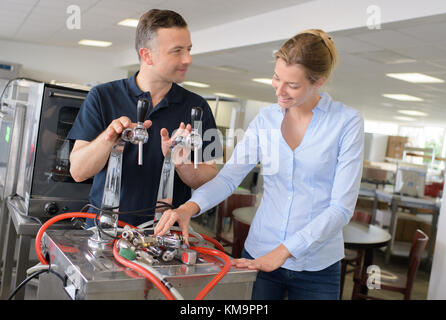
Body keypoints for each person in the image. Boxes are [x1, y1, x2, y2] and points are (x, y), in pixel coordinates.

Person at [154, 29, 364, 300]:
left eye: (293, 85)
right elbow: (229, 178)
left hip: (317, 266)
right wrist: (188, 208)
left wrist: (283, 251)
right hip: (259, 254)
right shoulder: (266, 120)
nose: (280, 90)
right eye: (277, 78)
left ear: (318, 81)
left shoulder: (345, 122)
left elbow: (341, 208)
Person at [68, 9, 221, 227]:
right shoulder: (101, 96)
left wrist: (181, 163)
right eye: (177, 51)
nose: (188, 59)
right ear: (147, 55)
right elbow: (78, 171)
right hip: (106, 230)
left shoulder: (198, 107)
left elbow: (210, 175)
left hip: (166, 236)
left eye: (188, 49)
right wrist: (109, 137)